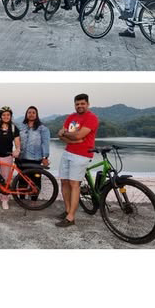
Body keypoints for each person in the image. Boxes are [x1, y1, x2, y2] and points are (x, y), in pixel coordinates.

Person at [56, 93, 99, 227]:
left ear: (88, 104)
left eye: (82, 103)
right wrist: (73, 139)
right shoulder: (71, 117)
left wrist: (69, 135)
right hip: (68, 152)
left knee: (74, 184)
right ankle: (68, 210)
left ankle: (71, 218)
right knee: (64, 182)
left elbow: (79, 135)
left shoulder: (91, 118)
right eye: (77, 104)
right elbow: (60, 135)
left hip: (82, 155)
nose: (79, 106)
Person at [17, 105, 51, 200]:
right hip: (22, 158)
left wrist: (45, 157)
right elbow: (17, 140)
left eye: (33, 113)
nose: (31, 114)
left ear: (36, 115)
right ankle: (22, 199)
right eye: (29, 112)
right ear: (26, 114)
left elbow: (45, 143)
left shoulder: (42, 128)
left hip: (36, 159)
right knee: (22, 180)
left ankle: (34, 200)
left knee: (36, 180)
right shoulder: (21, 127)